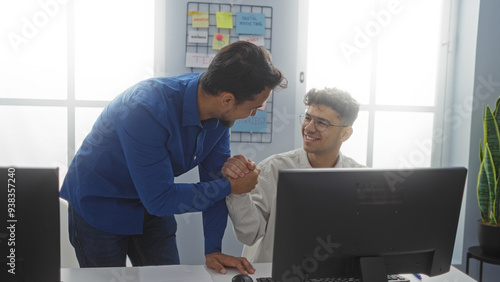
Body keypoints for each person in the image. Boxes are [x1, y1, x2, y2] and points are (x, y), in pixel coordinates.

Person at [59, 41, 287, 274]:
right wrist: (231, 186)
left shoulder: (219, 118)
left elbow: (214, 182)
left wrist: (213, 250)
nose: (253, 114)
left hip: (150, 204)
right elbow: (161, 199)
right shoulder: (146, 108)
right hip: (100, 201)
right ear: (227, 99)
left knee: (167, 277)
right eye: (253, 108)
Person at [226, 87, 365, 263]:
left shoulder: (359, 178)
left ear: (345, 133)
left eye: (321, 123)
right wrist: (239, 192)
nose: (308, 128)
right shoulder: (273, 169)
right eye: (308, 118)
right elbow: (249, 234)